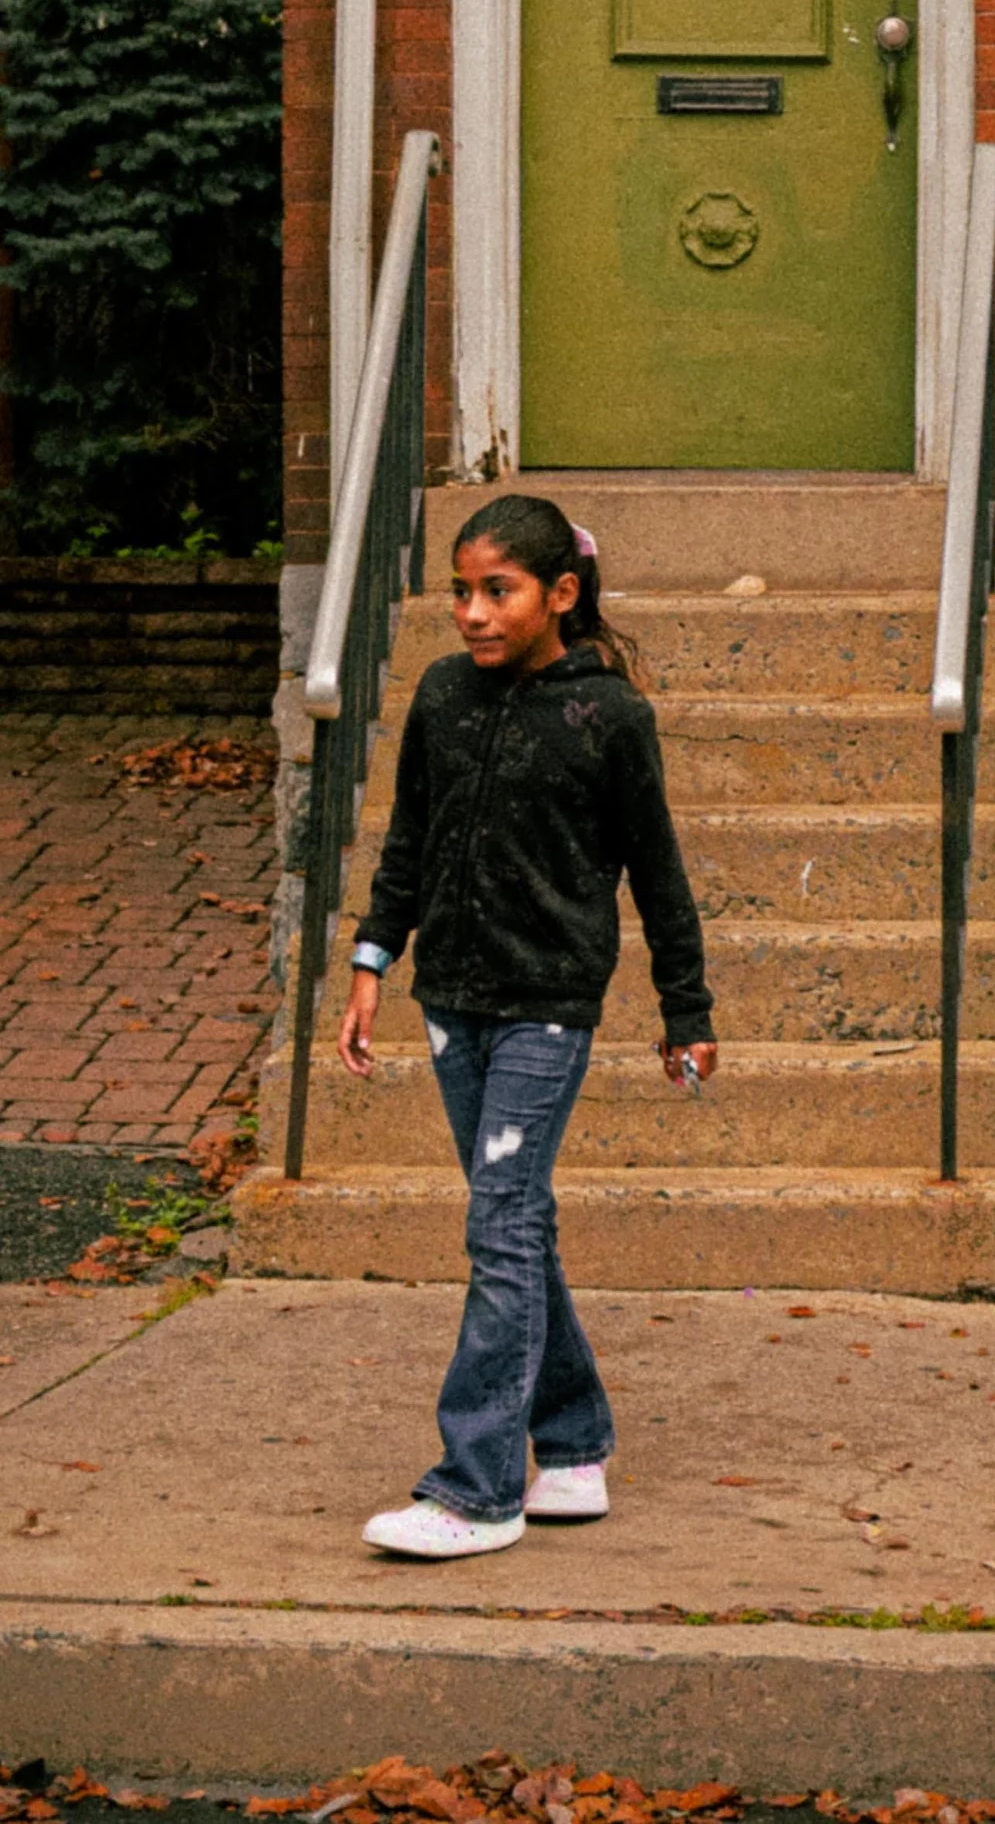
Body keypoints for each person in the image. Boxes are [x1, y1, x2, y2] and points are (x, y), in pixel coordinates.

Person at [337, 491, 716, 1559]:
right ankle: (577, 1440)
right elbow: (409, 835)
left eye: (495, 590)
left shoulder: (611, 717)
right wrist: (373, 956)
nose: (470, 611)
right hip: (452, 999)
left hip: (548, 1005)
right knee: (516, 1226)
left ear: (559, 593)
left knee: (500, 1222)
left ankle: (476, 1488)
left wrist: (687, 1008)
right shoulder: (444, 694)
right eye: (461, 589)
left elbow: (659, 871)